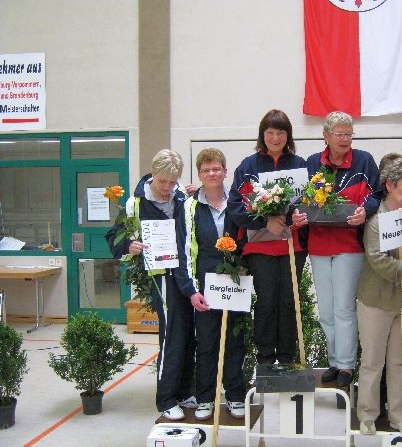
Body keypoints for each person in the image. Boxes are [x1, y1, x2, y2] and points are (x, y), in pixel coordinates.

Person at [105, 149, 196, 420]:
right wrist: (129, 245)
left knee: (190, 333)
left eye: (172, 182)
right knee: (172, 335)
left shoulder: (182, 196)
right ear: (153, 175)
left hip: (187, 271)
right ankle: (166, 398)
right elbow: (114, 236)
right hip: (161, 275)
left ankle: (185, 390)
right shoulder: (135, 203)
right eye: (162, 181)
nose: (167, 187)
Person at [293, 110, 379, 387]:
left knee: (343, 308)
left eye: (349, 134)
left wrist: (365, 211)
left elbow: (376, 195)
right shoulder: (312, 163)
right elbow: (300, 199)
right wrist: (299, 214)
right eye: (339, 134)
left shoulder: (364, 160)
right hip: (318, 244)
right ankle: (334, 361)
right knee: (326, 311)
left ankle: (346, 365)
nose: (345, 139)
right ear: (326, 136)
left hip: (349, 245)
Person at [356, 158, 402, 437]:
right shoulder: (376, 221)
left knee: (400, 361)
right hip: (376, 301)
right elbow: (377, 259)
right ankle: (367, 414)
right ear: (389, 185)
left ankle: (400, 415)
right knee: (372, 362)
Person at [227, 109, 307, 365]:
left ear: (288, 135)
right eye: (270, 132)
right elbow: (235, 207)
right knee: (266, 301)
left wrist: (297, 215)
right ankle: (264, 359)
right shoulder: (248, 167)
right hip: (259, 248)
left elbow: (308, 202)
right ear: (262, 135)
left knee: (289, 301)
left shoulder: (299, 165)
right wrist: (265, 222)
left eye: (281, 132)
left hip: (292, 246)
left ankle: (286, 358)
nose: (275, 138)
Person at [177, 148, 246, 420]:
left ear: (225, 171)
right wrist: (192, 291)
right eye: (206, 170)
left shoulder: (238, 202)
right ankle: (206, 398)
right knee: (206, 344)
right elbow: (184, 251)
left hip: (235, 283)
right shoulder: (190, 207)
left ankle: (236, 396)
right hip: (205, 287)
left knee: (234, 342)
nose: (212, 173)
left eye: (216, 168)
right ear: (199, 174)